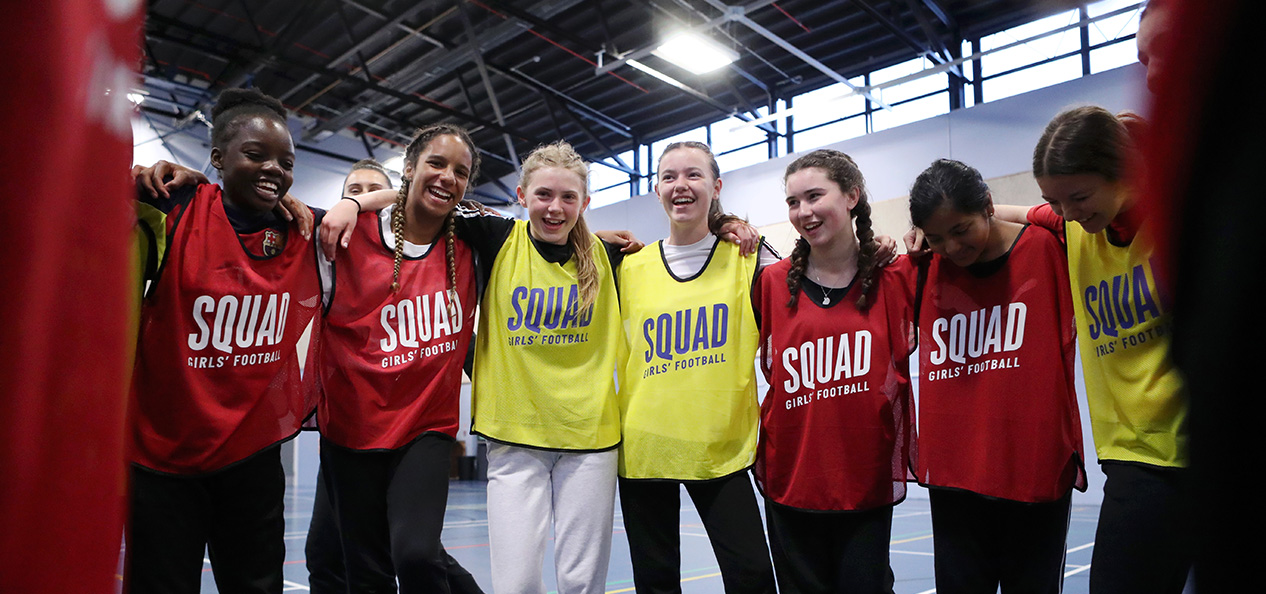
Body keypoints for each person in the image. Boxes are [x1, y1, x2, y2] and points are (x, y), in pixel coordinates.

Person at [126, 88, 323, 594]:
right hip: (163, 455)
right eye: (256, 155)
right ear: (216, 158)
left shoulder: (301, 229)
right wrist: (136, 177)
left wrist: (348, 201)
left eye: (285, 162)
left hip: (251, 458)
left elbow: (401, 208)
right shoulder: (173, 208)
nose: (273, 170)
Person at [997, 105, 1189, 593]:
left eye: (1078, 197)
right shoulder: (1073, 228)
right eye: (1054, 202)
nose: (1069, 213)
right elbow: (995, 213)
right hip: (1137, 458)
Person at [313, 138, 486, 594]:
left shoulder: (475, 240)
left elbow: (544, 232)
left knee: (416, 554)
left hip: (424, 427)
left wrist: (592, 236)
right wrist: (352, 202)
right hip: (350, 428)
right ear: (410, 166)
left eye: (460, 171)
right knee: (364, 572)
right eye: (436, 163)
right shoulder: (344, 237)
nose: (448, 176)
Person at [909, 159, 1086, 594]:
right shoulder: (923, 268)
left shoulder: (1049, 248)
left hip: (1033, 467)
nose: (951, 247)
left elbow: (1087, 215)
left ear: (988, 205)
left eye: (961, 230)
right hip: (955, 472)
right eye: (936, 237)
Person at [615, 140, 779, 594]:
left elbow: (812, 278)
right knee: (656, 582)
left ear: (716, 186)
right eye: (669, 177)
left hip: (721, 446)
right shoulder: (628, 267)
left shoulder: (748, 258)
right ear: (656, 189)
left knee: (753, 577)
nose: (680, 186)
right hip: (645, 447)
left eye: (693, 175)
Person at [753, 149, 917, 594]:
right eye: (792, 202)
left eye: (813, 196)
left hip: (864, 482)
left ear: (851, 196)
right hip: (789, 478)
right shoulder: (770, 283)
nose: (802, 212)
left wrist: (922, 230)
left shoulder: (897, 276)